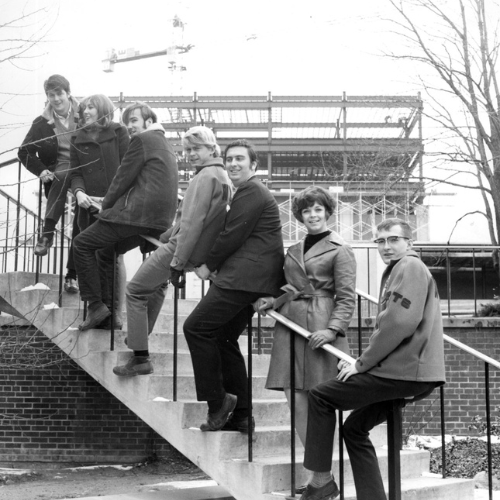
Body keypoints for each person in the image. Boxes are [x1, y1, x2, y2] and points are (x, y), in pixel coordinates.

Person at [299, 218, 446, 500]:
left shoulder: (410, 266)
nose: (386, 247)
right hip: (404, 371)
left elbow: (398, 324)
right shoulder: (399, 269)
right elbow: (391, 326)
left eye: (393, 240)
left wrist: (361, 364)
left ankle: (320, 482)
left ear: (409, 243)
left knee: (320, 396)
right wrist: (364, 361)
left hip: (404, 372)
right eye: (380, 241)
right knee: (354, 429)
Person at [256, 186, 356, 489]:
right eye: (306, 210)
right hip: (291, 325)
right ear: (300, 215)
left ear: (327, 211)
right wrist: (273, 302)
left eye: (317, 209)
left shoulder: (341, 248)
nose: (312, 215)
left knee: (318, 402)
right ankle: (320, 476)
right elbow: (292, 286)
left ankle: (322, 478)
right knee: (296, 400)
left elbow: (347, 297)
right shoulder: (294, 248)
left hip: (320, 329)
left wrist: (333, 329)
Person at [113, 125, 231, 376]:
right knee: (156, 286)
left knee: (134, 291)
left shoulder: (206, 176)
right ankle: (139, 337)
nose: (191, 154)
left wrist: (177, 261)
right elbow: (189, 222)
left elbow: (191, 223)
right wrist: (166, 237)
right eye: (188, 149)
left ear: (211, 148)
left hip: (183, 249)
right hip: (191, 249)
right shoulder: (220, 176)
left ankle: (140, 357)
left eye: (196, 148)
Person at [185, 139, 285, 433]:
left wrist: (207, 265)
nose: (233, 164)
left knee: (195, 328)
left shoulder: (252, 190)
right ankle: (242, 415)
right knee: (223, 339)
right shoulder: (248, 192)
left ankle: (217, 402)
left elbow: (231, 235)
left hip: (243, 279)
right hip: (253, 280)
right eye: (229, 159)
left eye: (240, 159)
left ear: (254, 165)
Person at [70, 94, 130, 330]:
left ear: (103, 109)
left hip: (112, 204)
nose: (85, 111)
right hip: (88, 204)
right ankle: (98, 310)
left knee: (110, 256)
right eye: (84, 108)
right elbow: (75, 173)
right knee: (90, 255)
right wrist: (78, 193)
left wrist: (113, 198)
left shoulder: (118, 132)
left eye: (91, 107)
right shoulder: (77, 136)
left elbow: (127, 167)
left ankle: (113, 313)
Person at [18, 74, 81, 292]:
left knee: (81, 224)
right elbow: (24, 152)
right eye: (50, 95)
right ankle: (47, 234)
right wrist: (41, 169)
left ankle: (72, 275)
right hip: (60, 170)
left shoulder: (84, 114)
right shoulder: (41, 122)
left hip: (85, 170)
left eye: (59, 93)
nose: (55, 99)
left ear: (68, 93)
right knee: (61, 177)